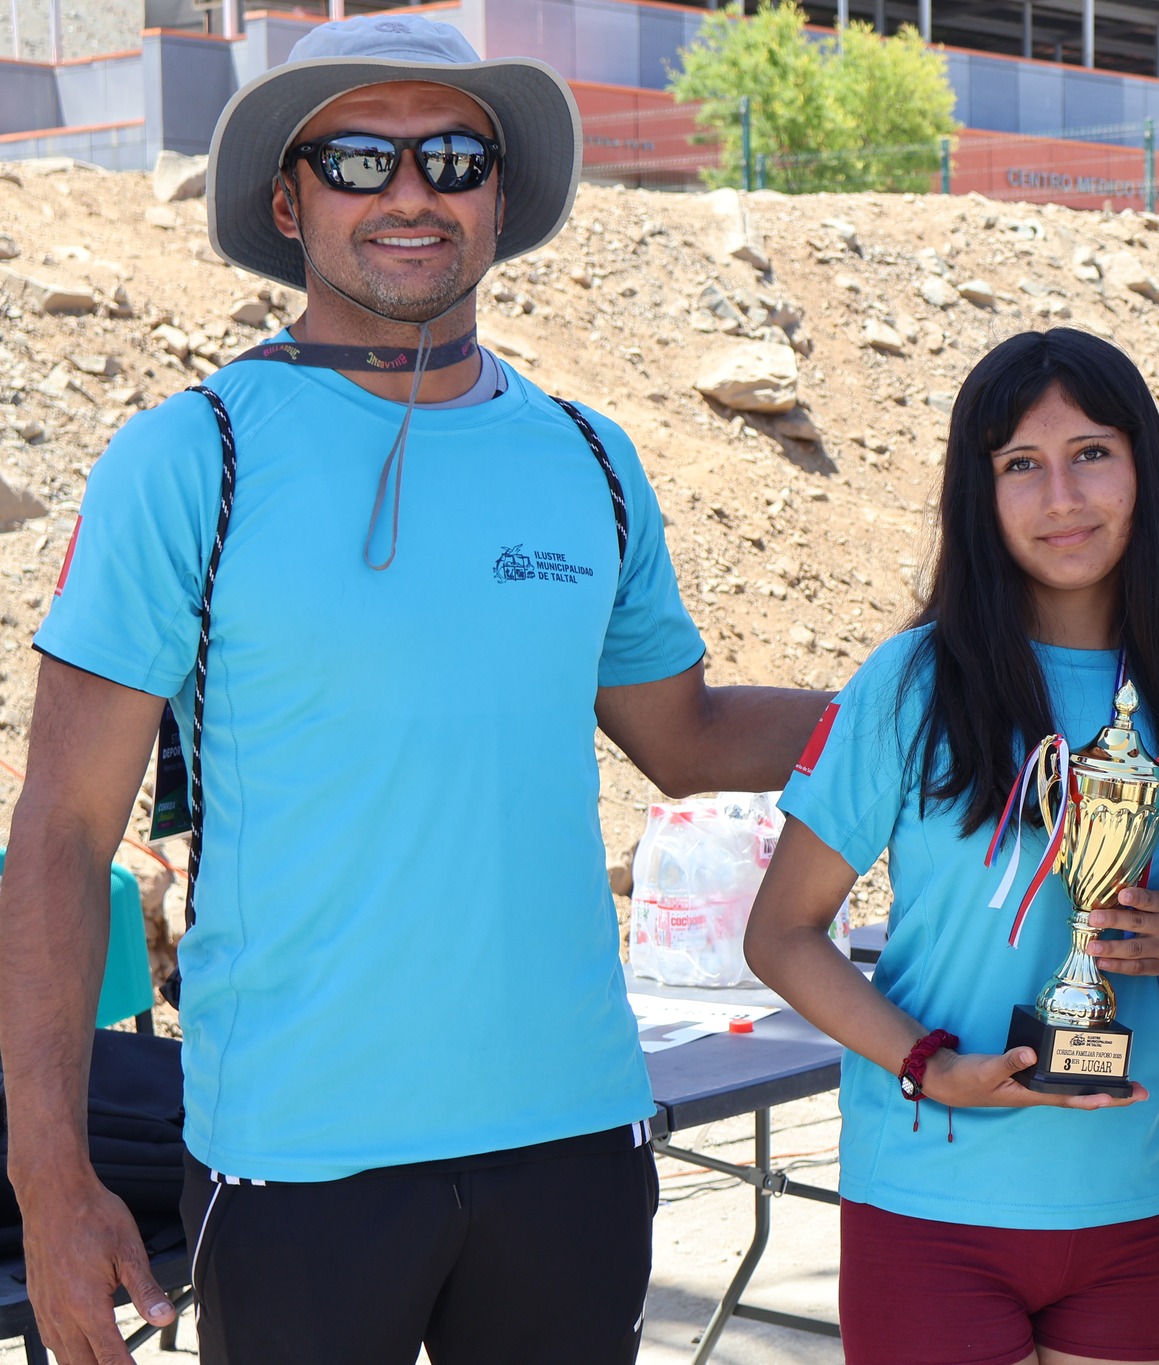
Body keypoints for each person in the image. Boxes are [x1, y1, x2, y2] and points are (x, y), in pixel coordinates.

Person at [0, 16, 825, 1364]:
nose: (409, 194)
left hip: (571, 1136)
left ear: (498, 197)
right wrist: (49, 1176)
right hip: (300, 1158)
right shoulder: (189, 459)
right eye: (359, 158)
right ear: (289, 198)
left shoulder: (590, 458)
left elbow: (684, 736)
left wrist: (928, 707)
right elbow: (63, 831)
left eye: (451, 157)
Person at [745, 328, 1159, 1365]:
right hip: (931, 1205)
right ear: (976, 496)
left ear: (1145, 470)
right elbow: (782, 934)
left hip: (1135, 1207)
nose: (1060, 496)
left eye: (1091, 454)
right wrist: (929, 1067)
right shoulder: (910, 683)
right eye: (1020, 465)